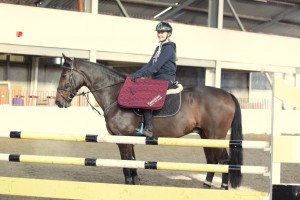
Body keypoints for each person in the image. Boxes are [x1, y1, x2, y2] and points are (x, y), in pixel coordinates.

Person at [131, 21, 177, 137]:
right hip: (158, 78)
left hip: (166, 78)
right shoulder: (159, 48)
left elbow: (156, 67)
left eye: (162, 32)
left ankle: (149, 128)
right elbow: (149, 64)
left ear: (169, 34)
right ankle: (140, 123)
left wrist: (140, 75)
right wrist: (134, 75)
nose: (160, 34)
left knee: (147, 95)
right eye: (158, 32)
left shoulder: (169, 48)